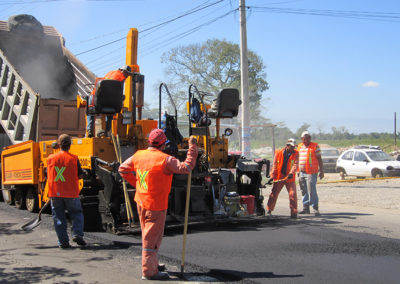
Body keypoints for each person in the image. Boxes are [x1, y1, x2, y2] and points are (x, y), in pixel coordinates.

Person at [118, 129, 198, 280]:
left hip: (141, 200)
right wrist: (192, 148)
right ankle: (149, 271)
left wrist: (137, 184)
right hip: (156, 204)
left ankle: (152, 262)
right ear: (163, 144)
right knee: (151, 238)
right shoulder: (165, 159)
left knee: (148, 235)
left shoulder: (138, 155)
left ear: (149, 141)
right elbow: (186, 168)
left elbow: (122, 169)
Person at [47, 134, 86, 248]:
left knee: (58, 217)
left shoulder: (50, 158)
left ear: (58, 145)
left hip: (55, 193)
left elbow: (47, 174)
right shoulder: (74, 159)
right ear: (70, 145)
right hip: (71, 193)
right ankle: (77, 234)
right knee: (76, 214)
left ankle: (63, 242)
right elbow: (80, 176)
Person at [86, 65, 133, 137]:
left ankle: (90, 130)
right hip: (109, 104)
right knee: (110, 112)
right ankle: (107, 131)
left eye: (128, 74)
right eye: (127, 73)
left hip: (99, 101)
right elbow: (118, 94)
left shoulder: (110, 73)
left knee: (90, 110)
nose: (127, 76)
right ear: (121, 71)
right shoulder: (121, 78)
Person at [266, 138, 299, 219]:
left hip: (289, 177)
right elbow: (274, 165)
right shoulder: (278, 153)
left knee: (293, 194)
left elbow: (295, 164)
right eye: (291, 147)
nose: (293, 148)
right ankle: (269, 209)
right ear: (287, 146)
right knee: (274, 193)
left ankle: (294, 212)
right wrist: (272, 176)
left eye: (294, 147)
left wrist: (291, 173)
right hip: (279, 177)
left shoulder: (296, 153)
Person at [297, 131, 324, 216]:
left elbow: (319, 159)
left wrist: (322, 171)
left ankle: (315, 208)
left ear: (310, 138)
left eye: (308, 138)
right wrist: (297, 171)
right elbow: (296, 159)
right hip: (301, 172)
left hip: (311, 172)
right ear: (302, 139)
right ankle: (305, 208)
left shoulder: (315, 146)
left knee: (312, 190)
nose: (306, 140)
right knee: (303, 190)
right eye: (304, 139)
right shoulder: (299, 147)